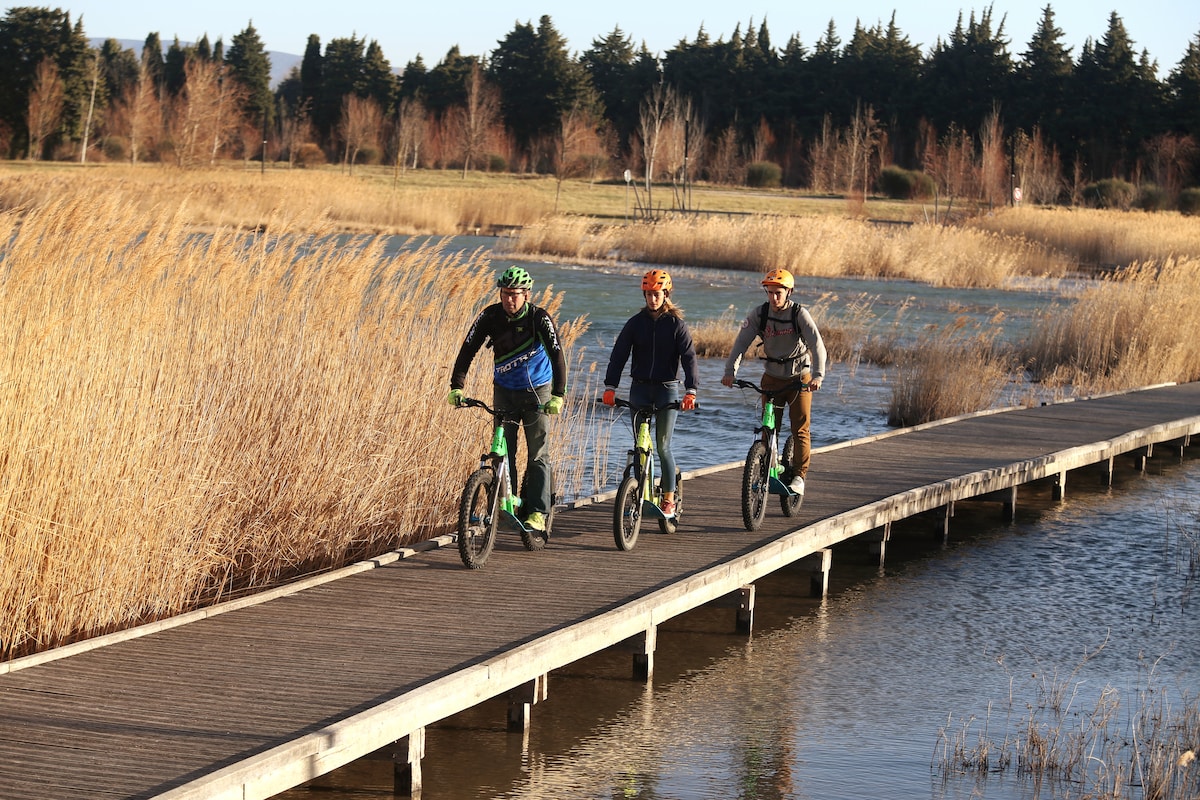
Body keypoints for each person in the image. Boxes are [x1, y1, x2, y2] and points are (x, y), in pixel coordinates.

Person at [449, 266, 567, 533]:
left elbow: (558, 355)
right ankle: (507, 504)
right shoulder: (490, 316)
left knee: (538, 454)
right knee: (504, 451)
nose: (508, 300)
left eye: (514, 295)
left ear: (526, 294)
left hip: (538, 392)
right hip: (504, 390)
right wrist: (456, 386)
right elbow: (468, 349)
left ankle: (537, 511)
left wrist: (558, 395)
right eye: (504, 294)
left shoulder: (540, 318)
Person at [721, 268, 827, 495]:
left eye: (778, 293)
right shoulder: (760, 314)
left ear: (789, 292)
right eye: (769, 293)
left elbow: (817, 345)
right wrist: (730, 371)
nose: (773, 297)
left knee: (800, 429)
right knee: (769, 428)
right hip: (772, 378)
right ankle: (770, 463)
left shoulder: (799, 314)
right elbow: (741, 343)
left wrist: (818, 375)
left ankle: (799, 476)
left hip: (800, 378)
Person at [602, 269, 698, 517]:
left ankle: (668, 499)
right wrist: (610, 387)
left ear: (666, 294)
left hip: (667, 390)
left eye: (656, 294)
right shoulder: (636, 323)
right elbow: (619, 355)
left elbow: (689, 359)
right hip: (640, 389)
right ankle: (637, 492)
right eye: (648, 294)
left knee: (663, 445)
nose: (652, 299)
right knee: (639, 446)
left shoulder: (677, 325)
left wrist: (691, 391)